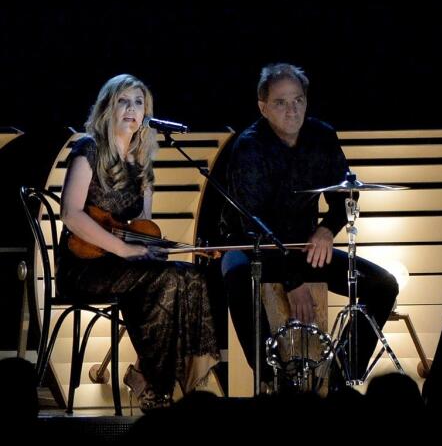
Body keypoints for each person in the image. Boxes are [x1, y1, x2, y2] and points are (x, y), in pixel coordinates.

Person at [219, 63, 398, 388]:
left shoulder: (322, 136)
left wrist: (327, 229)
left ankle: (339, 375)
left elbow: (347, 194)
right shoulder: (249, 146)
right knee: (237, 276)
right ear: (263, 107)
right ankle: (272, 377)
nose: (292, 110)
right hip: (253, 247)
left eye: (298, 100)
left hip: (303, 245)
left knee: (383, 285)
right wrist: (293, 279)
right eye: (281, 102)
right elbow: (252, 224)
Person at [56, 74, 220, 410]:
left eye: (139, 102)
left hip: (123, 264)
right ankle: (155, 387)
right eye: (123, 101)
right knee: (167, 279)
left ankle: (188, 382)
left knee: (191, 277)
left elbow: (140, 227)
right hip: (84, 265)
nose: (132, 109)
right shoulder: (88, 148)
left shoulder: (143, 161)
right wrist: (126, 250)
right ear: (108, 108)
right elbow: (71, 214)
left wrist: (161, 249)